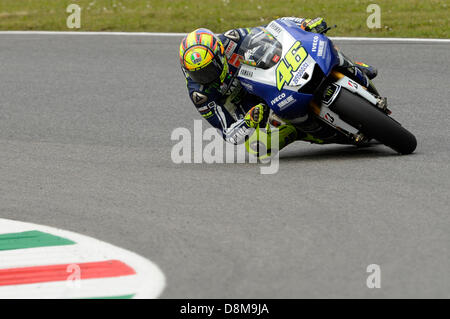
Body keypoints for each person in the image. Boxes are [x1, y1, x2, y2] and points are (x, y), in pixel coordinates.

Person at [179, 17, 378, 159]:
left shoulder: (230, 39)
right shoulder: (200, 94)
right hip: (251, 106)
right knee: (258, 147)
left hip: (265, 76)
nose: (205, 77)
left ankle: (350, 65)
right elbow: (227, 133)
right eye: (198, 73)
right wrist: (248, 122)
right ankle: (302, 131)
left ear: (219, 53)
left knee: (317, 42)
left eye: (208, 69)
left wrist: (303, 24)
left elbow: (272, 29)